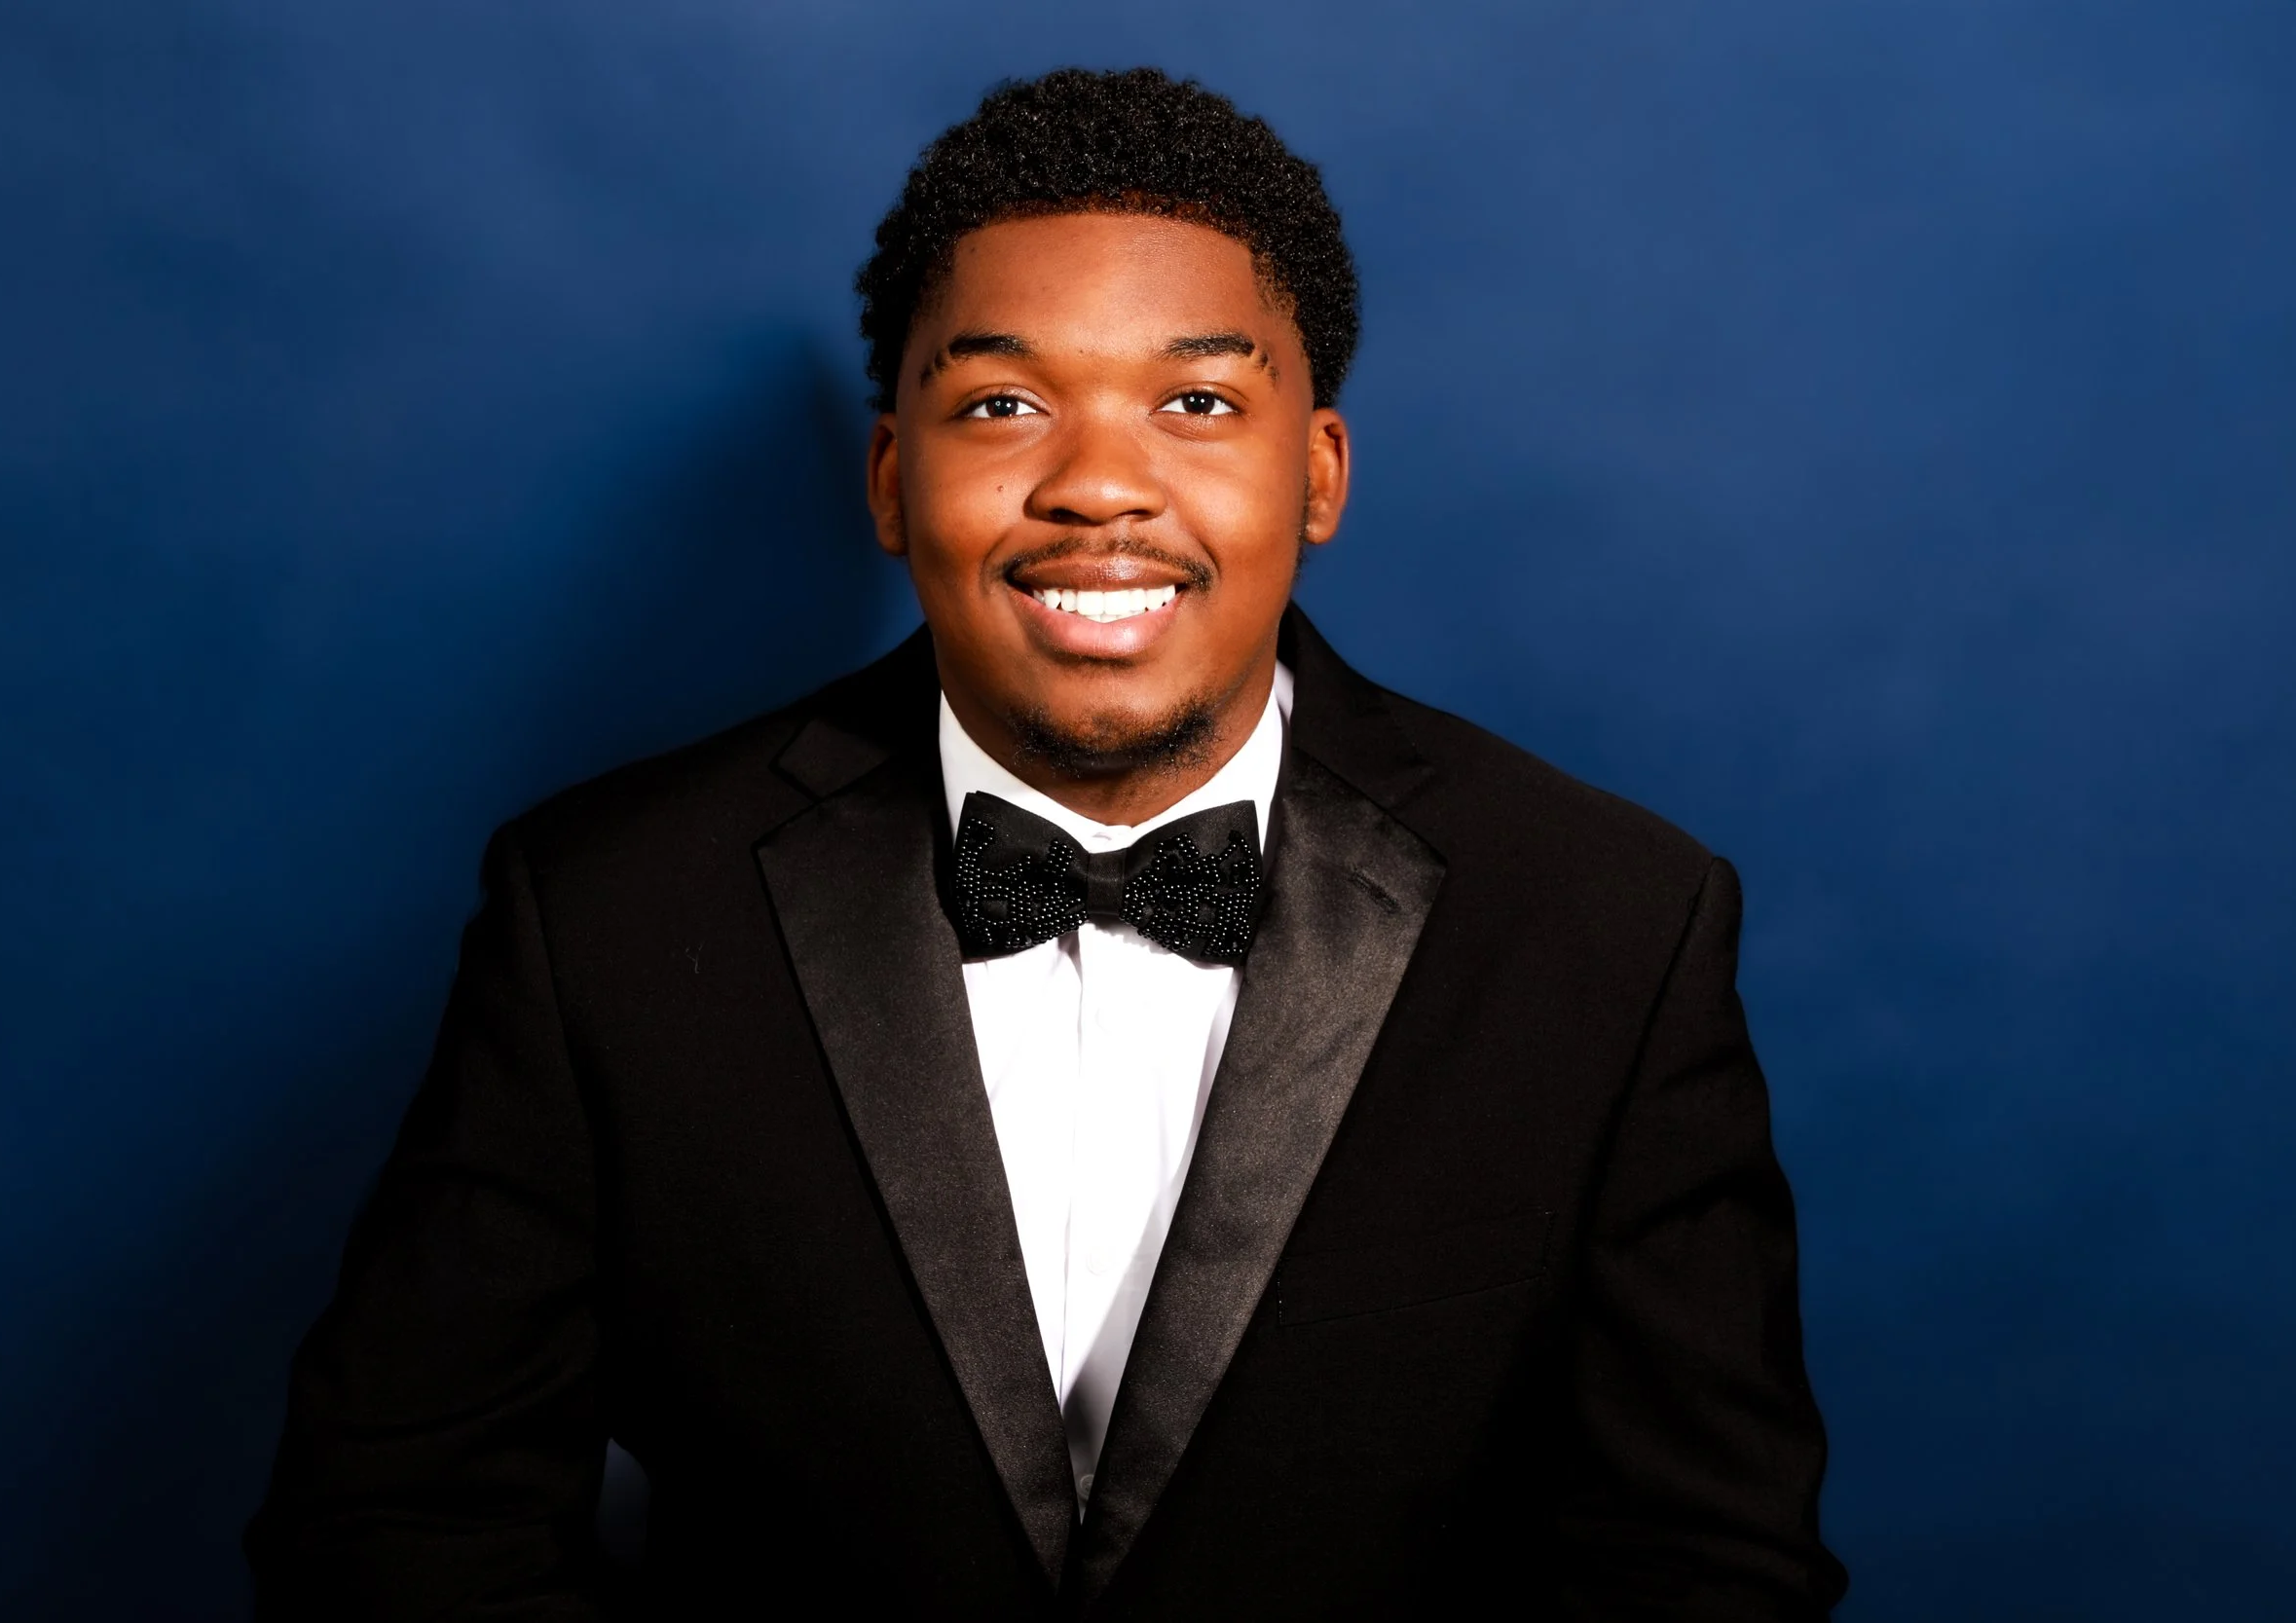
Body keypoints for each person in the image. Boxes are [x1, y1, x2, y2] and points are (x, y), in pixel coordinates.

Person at [247, 67, 1847, 1620]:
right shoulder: (600, 913)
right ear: (892, 475)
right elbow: (396, 1531)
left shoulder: (1606, 927)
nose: (1099, 486)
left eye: (1198, 401)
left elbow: (1703, 1568)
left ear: (1318, 474)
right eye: (1004, 402)